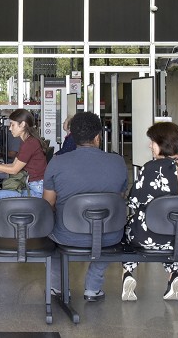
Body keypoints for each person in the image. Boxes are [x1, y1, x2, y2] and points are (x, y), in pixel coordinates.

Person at [42, 112, 128, 302]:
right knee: (107, 233)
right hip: (109, 235)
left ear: (72, 135)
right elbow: (119, 199)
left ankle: (58, 287)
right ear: (98, 137)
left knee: (51, 235)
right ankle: (93, 288)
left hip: (67, 235)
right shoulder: (118, 162)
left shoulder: (57, 162)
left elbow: (48, 203)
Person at [122, 122, 178, 301]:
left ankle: (128, 273)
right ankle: (173, 274)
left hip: (150, 236)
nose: (149, 145)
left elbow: (134, 201)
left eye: (152, 141)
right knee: (169, 231)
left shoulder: (151, 168)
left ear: (163, 143)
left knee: (129, 228)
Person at [0, 109, 47, 208]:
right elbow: (13, 164)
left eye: (12, 125)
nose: (9, 128)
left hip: (36, 191)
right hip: (33, 187)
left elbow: (14, 170)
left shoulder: (30, 143)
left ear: (22, 124)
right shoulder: (27, 141)